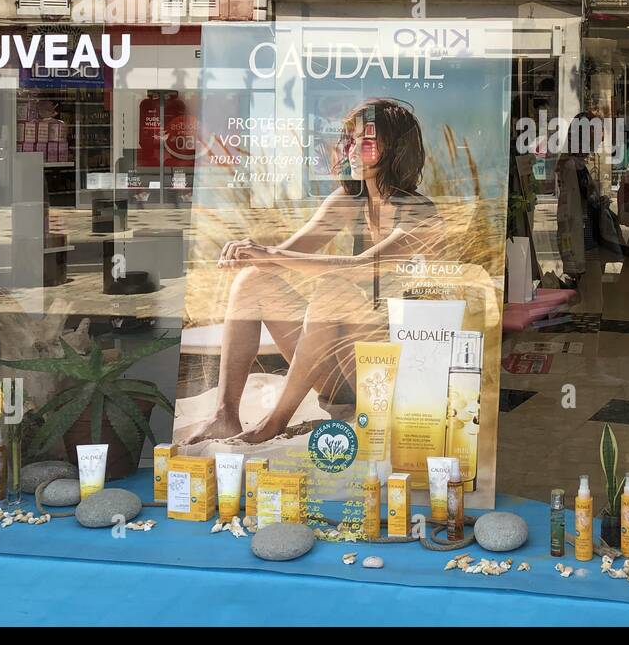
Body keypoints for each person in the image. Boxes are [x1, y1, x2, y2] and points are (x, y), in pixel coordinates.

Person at [184, 98, 442, 444]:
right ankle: (224, 416)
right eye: (348, 139)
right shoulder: (348, 200)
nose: (350, 148)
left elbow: (362, 268)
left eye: (366, 141)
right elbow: (285, 256)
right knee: (254, 281)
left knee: (336, 287)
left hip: (389, 376)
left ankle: (274, 422)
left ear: (395, 149)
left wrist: (271, 253)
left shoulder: (418, 211)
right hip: (341, 376)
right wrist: (249, 254)